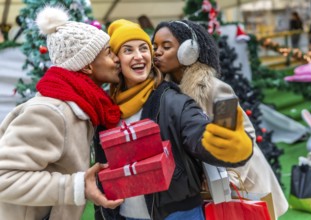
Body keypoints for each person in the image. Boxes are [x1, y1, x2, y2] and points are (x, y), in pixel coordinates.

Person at [93, 19, 253, 220]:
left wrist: (223, 144)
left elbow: (196, 132)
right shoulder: (106, 110)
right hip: (124, 215)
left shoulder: (173, 100)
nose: (139, 55)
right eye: (128, 50)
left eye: (144, 48)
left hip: (177, 214)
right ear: (116, 59)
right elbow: (103, 168)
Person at [152, 20, 288, 219]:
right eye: (155, 46)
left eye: (166, 46)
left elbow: (244, 135)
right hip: (210, 185)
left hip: (241, 181)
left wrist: (230, 176)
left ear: (188, 51)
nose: (157, 52)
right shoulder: (165, 91)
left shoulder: (215, 88)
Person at [0, 6, 124, 220]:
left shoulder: (85, 107)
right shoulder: (50, 112)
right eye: (108, 53)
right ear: (87, 67)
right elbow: (4, 176)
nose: (117, 59)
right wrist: (77, 186)